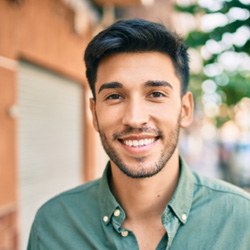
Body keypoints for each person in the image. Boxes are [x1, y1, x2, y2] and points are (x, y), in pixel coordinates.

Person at [27, 19, 250, 250]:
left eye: (155, 94)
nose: (135, 118)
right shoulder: (53, 226)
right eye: (114, 96)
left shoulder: (242, 221)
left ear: (185, 110)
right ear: (94, 113)